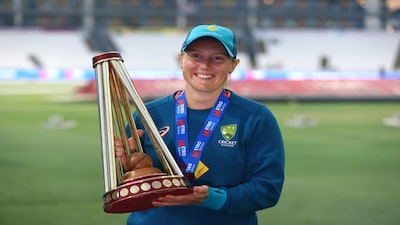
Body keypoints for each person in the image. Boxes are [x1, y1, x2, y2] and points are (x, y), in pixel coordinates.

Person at [114, 24, 285, 225]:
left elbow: (267, 189)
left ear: (233, 65)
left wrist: (214, 198)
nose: (205, 65)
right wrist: (122, 163)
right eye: (196, 56)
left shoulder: (256, 118)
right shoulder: (148, 115)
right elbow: (125, 186)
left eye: (217, 58)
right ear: (181, 60)